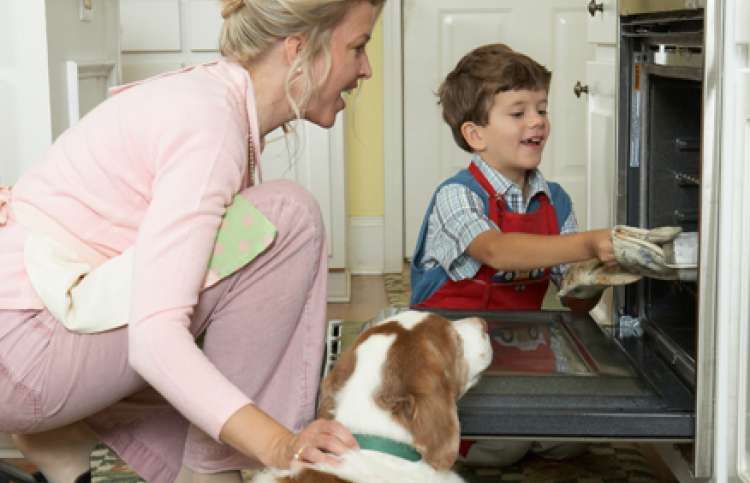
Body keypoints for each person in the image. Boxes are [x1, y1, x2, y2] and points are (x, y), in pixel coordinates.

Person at [0, 1, 384, 482]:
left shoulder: (206, 98)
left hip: (25, 342)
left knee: (206, 396)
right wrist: (281, 444)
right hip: (24, 352)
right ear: (300, 48)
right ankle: (212, 475)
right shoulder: (208, 124)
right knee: (287, 218)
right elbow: (154, 339)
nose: (365, 69)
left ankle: (67, 436)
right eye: (358, 47)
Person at [409, 43, 615, 465]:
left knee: (570, 441)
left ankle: (520, 420)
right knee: (501, 447)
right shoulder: (456, 196)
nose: (537, 121)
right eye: (518, 112)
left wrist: (603, 271)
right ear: (475, 134)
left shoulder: (555, 201)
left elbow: (575, 300)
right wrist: (590, 242)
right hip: (452, 363)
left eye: (542, 109)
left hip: (521, 355)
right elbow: (497, 250)